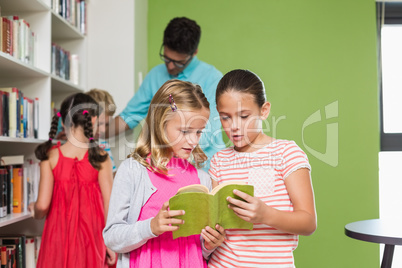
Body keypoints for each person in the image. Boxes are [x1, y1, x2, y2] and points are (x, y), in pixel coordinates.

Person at [103, 80, 226, 268]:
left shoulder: (202, 179)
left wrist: (209, 245)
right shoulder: (133, 171)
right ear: (161, 124)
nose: (193, 140)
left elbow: (198, 247)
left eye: (199, 132)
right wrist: (151, 227)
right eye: (185, 131)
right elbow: (112, 237)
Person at [208, 69, 317, 267]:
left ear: (264, 110)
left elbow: (309, 223)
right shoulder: (219, 161)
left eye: (243, 116)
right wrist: (209, 239)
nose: (234, 126)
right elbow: (215, 224)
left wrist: (265, 214)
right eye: (225, 117)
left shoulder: (286, 153)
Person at [114, 17, 225, 171]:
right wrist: (93, 130)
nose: (171, 66)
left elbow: (208, 133)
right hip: (163, 168)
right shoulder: (155, 75)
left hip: (204, 169)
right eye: (166, 59)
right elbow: (128, 117)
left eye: (178, 62)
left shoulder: (213, 79)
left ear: (194, 53)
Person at [30, 93, 116, 267]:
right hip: (92, 237)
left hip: (58, 237)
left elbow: (43, 205)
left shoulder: (50, 157)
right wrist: (111, 243)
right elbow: (110, 204)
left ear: (63, 123)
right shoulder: (101, 158)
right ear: (92, 120)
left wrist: (34, 210)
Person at [87, 88, 118, 176]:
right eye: (99, 124)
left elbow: (113, 176)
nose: (103, 130)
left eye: (107, 124)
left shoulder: (103, 145)